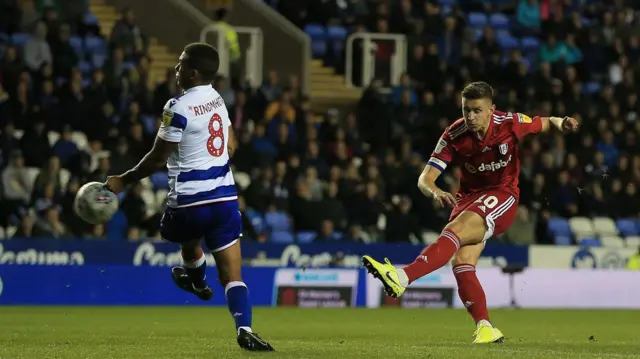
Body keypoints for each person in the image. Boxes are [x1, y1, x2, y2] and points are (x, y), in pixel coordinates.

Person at [362, 82, 578, 344]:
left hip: (503, 195)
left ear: (491, 110)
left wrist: (560, 122)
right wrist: (436, 192)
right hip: (467, 201)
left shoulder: (509, 123)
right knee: (462, 262)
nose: (471, 116)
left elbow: (541, 122)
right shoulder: (454, 134)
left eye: (477, 110)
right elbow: (425, 179)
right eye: (466, 110)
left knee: (453, 232)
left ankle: (401, 276)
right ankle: (486, 327)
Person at [104, 42, 274, 352]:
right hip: (223, 199)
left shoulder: (177, 107)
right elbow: (231, 142)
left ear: (193, 73)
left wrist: (122, 180)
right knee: (232, 274)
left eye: (180, 64)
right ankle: (244, 327)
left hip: (189, 202)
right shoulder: (218, 99)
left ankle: (196, 281)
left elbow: (157, 159)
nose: (176, 69)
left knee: (183, 234)